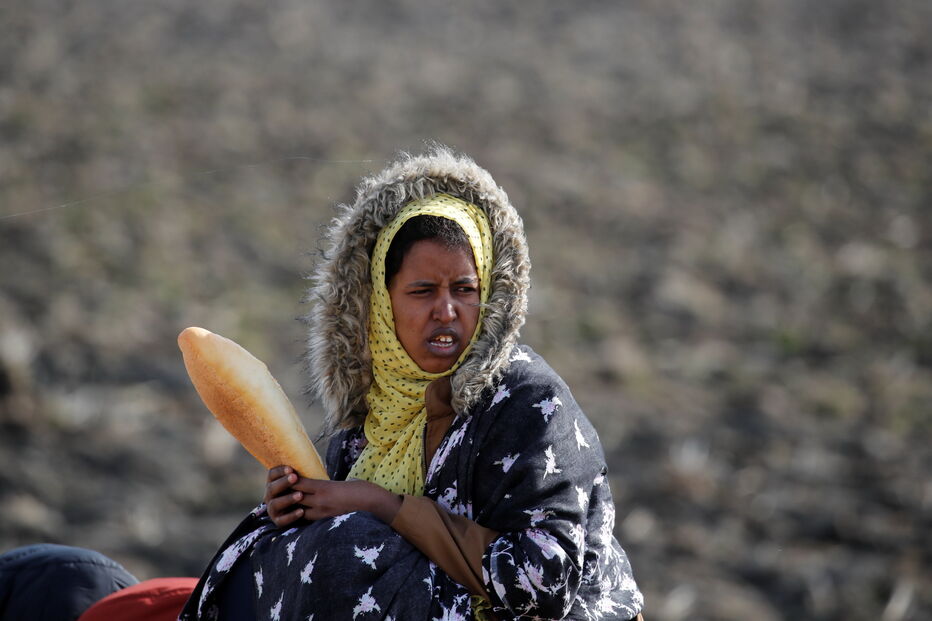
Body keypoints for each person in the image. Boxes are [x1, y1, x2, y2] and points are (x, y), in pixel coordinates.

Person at [178, 147, 644, 620]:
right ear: (380, 302)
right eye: (422, 292)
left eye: (464, 289)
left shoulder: (526, 400)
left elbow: (545, 584)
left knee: (345, 549)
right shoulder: (372, 417)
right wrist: (297, 510)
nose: (446, 311)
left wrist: (385, 506)